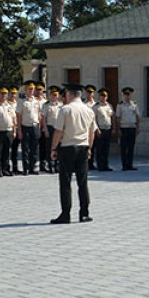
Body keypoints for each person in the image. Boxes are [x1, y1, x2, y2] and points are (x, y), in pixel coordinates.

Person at [51, 84, 96, 224]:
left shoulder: (65, 110)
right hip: (83, 147)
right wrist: (89, 148)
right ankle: (84, 213)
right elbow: (92, 132)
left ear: (70, 94)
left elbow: (58, 131)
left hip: (67, 148)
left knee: (65, 182)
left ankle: (65, 214)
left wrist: (53, 148)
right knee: (83, 182)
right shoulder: (89, 110)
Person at [0, 86, 18, 177]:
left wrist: (14, 131)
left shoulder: (10, 106)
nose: (3, 95)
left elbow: (14, 120)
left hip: (9, 131)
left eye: (5, 94)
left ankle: (5, 168)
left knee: (6, 151)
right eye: (1, 93)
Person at [18, 81, 42, 175]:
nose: (31, 91)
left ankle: (33, 167)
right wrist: (19, 130)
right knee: (25, 148)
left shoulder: (37, 101)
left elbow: (39, 115)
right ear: (25, 90)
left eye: (32, 89)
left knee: (34, 148)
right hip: (25, 126)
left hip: (35, 126)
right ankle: (26, 168)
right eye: (29, 89)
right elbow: (18, 116)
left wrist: (39, 128)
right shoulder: (22, 101)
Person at [114, 87, 140, 170]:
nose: (127, 96)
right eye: (125, 94)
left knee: (131, 147)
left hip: (132, 127)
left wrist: (137, 128)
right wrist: (118, 129)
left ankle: (130, 165)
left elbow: (137, 116)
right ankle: (124, 165)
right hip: (123, 128)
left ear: (131, 95)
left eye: (128, 94)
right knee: (123, 148)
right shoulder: (120, 105)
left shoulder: (134, 104)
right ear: (123, 95)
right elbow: (117, 118)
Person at [92, 88, 114, 171]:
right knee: (99, 148)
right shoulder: (96, 107)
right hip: (100, 129)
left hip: (108, 129)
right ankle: (100, 165)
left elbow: (112, 117)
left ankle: (106, 165)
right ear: (99, 97)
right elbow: (93, 119)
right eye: (102, 96)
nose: (103, 98)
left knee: (106, 148)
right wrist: (97, 129)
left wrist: (113, 128)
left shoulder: (110, 106)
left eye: (105, 96)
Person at [43, 86, 63, 174]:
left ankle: (57, 165)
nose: (54, 97)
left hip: (58, 128)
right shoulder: (46, 105)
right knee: (50, 147)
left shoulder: (61, 105)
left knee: (59, 147)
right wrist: (45, 130)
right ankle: (50, 165)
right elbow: (43, 118)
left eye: (56, 95)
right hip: (50, 128)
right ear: (50, 95)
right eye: (52, 95)